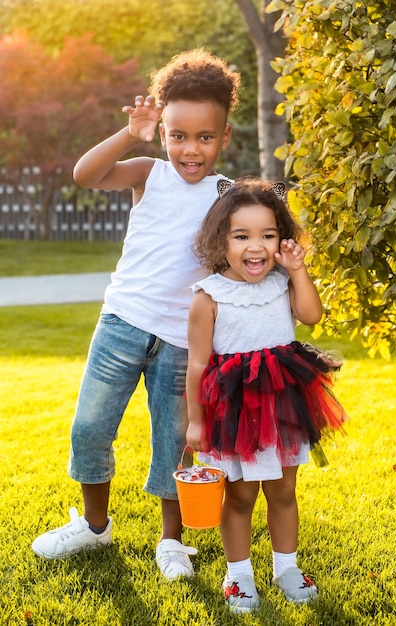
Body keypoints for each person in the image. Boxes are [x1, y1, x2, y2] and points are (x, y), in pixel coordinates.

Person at [31, 48, 240, 580]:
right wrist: (132, 134)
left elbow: (246, 259)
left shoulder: (228, 196)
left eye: (205, 137)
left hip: (182, 343)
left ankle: (171, 542)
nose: (190, 149)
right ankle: (95, 527)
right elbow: (85, 174)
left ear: (225, 138)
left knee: (174, 443)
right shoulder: (149, 172)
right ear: (163, 132)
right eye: (177, 135)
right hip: (122, 324)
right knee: (90, 428)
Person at [186, 179, 347, 612]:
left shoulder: (282, 281)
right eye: (242, 236)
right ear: (222, 240)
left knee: (283, 489)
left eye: (268, 235)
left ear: (282, 239)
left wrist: (297, 270)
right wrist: (197, 420)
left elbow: (311, 316)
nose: (255, 247)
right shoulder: (209, 297)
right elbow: (199, 365)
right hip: (235, 409)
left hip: (283, 402)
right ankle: (238, 575)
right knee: (239, 495)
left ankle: (286, 567)